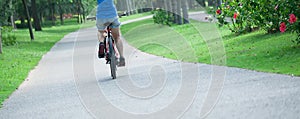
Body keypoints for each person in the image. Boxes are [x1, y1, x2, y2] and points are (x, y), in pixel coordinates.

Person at [96, 0, 125, 67]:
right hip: (112, 15)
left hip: (101, 16)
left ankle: (101, 43)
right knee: (117, 37)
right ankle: (122, 57)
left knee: (100, 32)